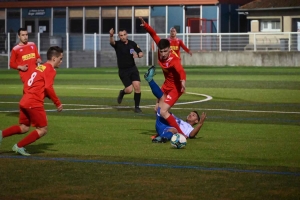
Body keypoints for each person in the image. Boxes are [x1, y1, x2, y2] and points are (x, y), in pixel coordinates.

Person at [0, 46, 64, 156]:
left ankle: (1, 134)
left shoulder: (40, 67)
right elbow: (48, 87)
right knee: (43, 129)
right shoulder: (50, 70)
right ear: (54, 58)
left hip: (24, 100)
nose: (61, 61)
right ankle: (19, 146)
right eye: (60, 58)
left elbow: (32, 85)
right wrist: (57, 103)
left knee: (24, 127)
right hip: (34, 102)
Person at [139, 17, 187, 137]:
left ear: (169, 49)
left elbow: (181, 71)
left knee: (164, 111)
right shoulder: (160, 46)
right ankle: (163, 131)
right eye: (161, 52)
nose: (163, 54)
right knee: (157, 110)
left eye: (166, 51)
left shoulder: (174, 60)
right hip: (166, 84)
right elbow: (153, 34)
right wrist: (146, 25)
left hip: (176, 87)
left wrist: (183, 82)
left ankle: (181, 135)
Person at [145, 75, 206, 142]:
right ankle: (150, 80)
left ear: (196, 121)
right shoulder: (182, 122)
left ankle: (162, 138)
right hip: (163, 121)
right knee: (162, 97)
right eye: (190, 114)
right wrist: (157, 104)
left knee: (174, 130)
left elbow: (192, 135)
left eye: (193, 115)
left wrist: (200, 124)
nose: (190, 115)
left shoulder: (189, 128)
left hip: (165, 126)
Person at [109, 28, 144, 113]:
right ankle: (122, 92)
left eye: (124, 35)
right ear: (119, 36)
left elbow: (141, 53)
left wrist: (138, 55)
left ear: (127, 34)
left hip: (133, 69)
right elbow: (112, 42)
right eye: (121, 35)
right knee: (129, 90)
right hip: (123, 71)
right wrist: (111, 35)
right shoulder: (117, 44)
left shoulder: (132, 43)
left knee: (137, 87)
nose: (123, 37)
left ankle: (137, 107)